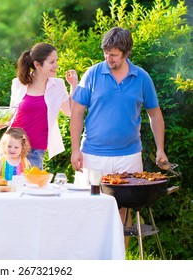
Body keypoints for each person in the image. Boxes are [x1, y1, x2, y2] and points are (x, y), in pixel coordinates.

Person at [70, 27, 168, 232]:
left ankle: (119, 259)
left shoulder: (142, 78)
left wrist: (160, 149)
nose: (108, 58)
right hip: (92, 155)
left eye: (113, 54)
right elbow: (77, 112)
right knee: (87, 211)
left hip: (129, 156)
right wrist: (75, 149)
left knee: (123, 215)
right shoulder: (92, 74)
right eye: (106, 53)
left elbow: (155, 115)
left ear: (126, 53)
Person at [3, 42, 78, 170]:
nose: (56, 65)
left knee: (34, 188)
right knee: (9, 187)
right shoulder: (18, 83)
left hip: (36, 151)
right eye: (52, 62)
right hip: (12, 147)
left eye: (56, 61)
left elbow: (70, 111)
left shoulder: (58, 85)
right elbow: (10, 116)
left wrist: (73, 86)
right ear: (37, 64)